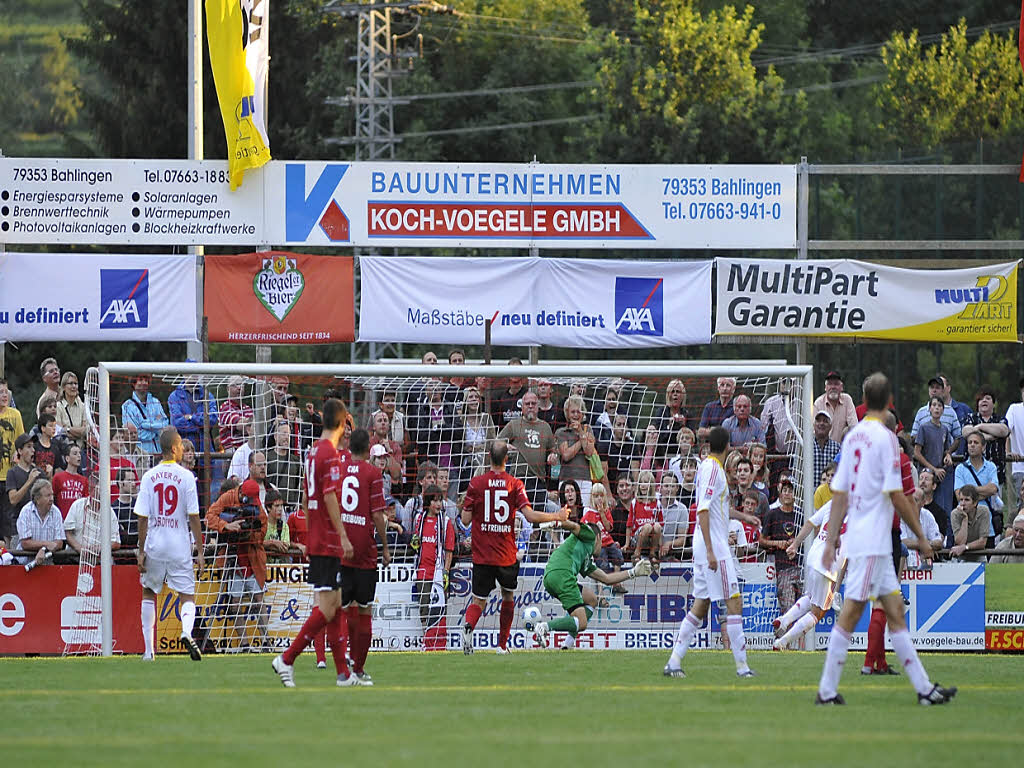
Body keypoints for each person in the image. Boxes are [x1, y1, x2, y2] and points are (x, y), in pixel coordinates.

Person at [815, 372, 955, 706]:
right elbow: (897, 494)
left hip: (864, 540)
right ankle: (826, 691)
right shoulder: (886, 439)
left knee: (894, 612)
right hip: (873, 543)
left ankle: (924, 689)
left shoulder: (852, 437)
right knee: (851, 614)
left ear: (863, 397)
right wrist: (921, 536)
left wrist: (832, 539)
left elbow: (840, 495)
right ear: (889, 398)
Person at [273, 398, 358, 688]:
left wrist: (310, 534)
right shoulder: (329, 454)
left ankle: (342, 674)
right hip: (328, 540)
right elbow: (328, 496)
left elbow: (306, 496)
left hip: (318, 537)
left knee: (333, 605)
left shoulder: (311, 453)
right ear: (342, 422)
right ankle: (287, 658)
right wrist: (342, 535)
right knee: (327, 607)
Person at [663, 426, 755, 679]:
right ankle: (742, 668)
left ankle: (674, 661)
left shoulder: (707, 466)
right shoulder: (714, 470)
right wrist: (712, 551)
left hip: (705, 545)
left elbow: (717, 510)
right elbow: (702, 511)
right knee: (734, 602)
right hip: (714, 547)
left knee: (701, 605)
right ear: (728, 446)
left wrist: (745, 516)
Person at [460, 441, 568, 655]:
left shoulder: (476, 484)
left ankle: (468, 627)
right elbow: (529, 515)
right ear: (506, 460)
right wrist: (557, 516)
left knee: (478, 600)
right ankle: (502, 646)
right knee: (507, 596)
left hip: (482, 554)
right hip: (506, 554)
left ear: (489, 457)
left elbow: (464, 520)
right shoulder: (515, 484)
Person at [134, 427, 205, 661]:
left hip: (155, 542)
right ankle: (186, 632)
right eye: (182, 446)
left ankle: (148, 651)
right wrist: (200, 551)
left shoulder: (148, 476)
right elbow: (194, 517)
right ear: (174, 448)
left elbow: (142, 517)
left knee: (148, 591)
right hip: (179, 544)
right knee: (187, 595)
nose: (184, 450)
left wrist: (141, 549)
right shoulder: (186, 476)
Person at [533, 521, 653, 650]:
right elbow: (574, 526)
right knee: (582, 623)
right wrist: (558, 522)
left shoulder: (585, 558)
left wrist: (633, 572)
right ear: (598, 537)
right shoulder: (590, 534)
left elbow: (606, 579)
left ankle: (568, 644)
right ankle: (544, 627)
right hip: (563, 575)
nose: (602, 547)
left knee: (591, 599)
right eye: (602, 542)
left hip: (552, 577)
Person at [338, 428, 389, 685]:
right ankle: (358, 668)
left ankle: (344, 658)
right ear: (369, 449)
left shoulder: (340, 469)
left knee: (345, 609)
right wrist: (386, 547)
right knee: (366, 609)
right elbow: (378, 515)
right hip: (365, 550)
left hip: (342, 548)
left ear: (349, 447)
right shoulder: (373, 473)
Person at [774, 499, 846, 650]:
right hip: (827, 565)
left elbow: (810, 522)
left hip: (812, 557)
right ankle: (783, 641)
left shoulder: (834, 502)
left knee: (810, 596)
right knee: (819, 612)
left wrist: (795, 544)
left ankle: (785, 620)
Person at [496, 390, 558, 509]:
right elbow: (496, 442)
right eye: (527, 404)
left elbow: (553, 450)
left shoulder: (545, 427)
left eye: (533, 404)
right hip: (518, 479)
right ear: (522, 407)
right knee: (518, 516)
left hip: (539, 480)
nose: (530, 406)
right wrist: (505, 446)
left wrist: (553, 456)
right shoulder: (514, 424)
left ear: (538, 406)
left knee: (537, 519)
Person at [412, 484, 455, 650]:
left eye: (440, 501)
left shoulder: (445, 522)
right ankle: (427, 642)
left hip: (438, 575)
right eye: (435, 501)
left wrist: (445, 571)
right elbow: (416, 544)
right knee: (424, 610)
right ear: (428, 502)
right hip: (422, 573)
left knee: (439, 611)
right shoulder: (419, 519)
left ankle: (439, 644)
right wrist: (414, 544)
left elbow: (449, 551)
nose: (438, 504)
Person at [760, 476, 801, 617]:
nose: (788, 493)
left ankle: (801, 640)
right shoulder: (772, 514)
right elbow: (762, 540)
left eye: (791, 490)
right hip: (783, 569)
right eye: (785, 490)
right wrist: (778, 544)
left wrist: (797, 541)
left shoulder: (801, 515)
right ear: (780, 493)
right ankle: (787, 639)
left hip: (802, 568)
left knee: (804, 614)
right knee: (789, 612)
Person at [555, 395, 603, 507]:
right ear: (567, 413)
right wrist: (582, 440)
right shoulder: (561, 432)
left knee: (585, 512)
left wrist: (581, 432)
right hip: (566, 479)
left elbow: (589, 452)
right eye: (573, 412)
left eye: (578, 411)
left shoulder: (588, 429)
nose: (576, 415)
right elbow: (566, 455)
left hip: (585, 480)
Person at [953, 432, 1001, 542]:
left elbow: (993, 489)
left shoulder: (991, 467)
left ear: (983, 447)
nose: (972, 445)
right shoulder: (960, 469)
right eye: (970, 442)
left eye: (976, 442)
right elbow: (959, 495)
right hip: (966, 522)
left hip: (987, 523)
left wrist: (969, 491)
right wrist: (983, 491)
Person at [14, 479, 66, 566]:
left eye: (52, 495)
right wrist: (47, 544)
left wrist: (43, 549)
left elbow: (60, 542)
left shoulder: (56, 511)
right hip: (24, 564)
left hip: (47, 565)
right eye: (48, 496)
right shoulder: (26, 511)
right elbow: (25, 543)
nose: (52, 499)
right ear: (37, 499)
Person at [121, 374, 169, 456]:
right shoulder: (127, 406)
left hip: (158, 453)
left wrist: (144, 425)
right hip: (139, 455)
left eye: (146, 380)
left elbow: (165, 424)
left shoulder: (156, 402)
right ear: (133, 383)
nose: (144, 383)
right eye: (140, 380)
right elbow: (134, 433)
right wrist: (155, 430)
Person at [626, 469, 663, 566]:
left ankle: (653, 553)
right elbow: (629, 524)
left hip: (651, 538)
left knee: (657, 526)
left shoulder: (657, 503)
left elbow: (660, 525)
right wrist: (627, 544)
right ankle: (636, 553)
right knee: (647, 526)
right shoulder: (635, 502)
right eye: (641, 482)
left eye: (646, 482)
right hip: (637, 538)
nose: (642, 485)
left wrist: (661, 545)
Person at [948, 485, 991, 562]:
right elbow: (960, 542)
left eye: (967, 500)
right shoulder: (955, 514)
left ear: (975, 503)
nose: (962, 503)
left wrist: (966, 547)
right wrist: (965, 519)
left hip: (978, 554)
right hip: (960, 555)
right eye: (961, 500)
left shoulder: (984, 511)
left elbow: (982, 542)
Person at [812, 371, 857, 443]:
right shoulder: (818, 403)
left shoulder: (847, 400)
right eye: (830, 384)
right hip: (824, 450)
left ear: (841, 387)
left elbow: (853, 426)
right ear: (825, 388)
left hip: (843, 449)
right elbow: (813, 430)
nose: (833, 387)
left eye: (836, 384)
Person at [54, 371, 91, 455]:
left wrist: (67, 429)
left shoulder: (83, 406)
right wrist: (79, 433)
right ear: (63, 387)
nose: (74, 386)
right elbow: (59, 433)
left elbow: (85, 431)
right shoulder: (58, 407)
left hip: (80, 452)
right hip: (64, 453)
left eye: (76, 383)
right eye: (70, 383)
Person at [219, 376, 254, 453]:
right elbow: (240, 425)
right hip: (232, 452)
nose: (239, 388)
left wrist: (248, 425)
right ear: (228, 389)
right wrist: (249, 424)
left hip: (248, 450)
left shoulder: (248, 408)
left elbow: (251, 428)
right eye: (235, 385)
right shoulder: (225, 408)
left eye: (241, 385)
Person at [52, 444, 89, 519]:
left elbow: (86, 502)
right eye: (75, 453)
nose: (79, 456)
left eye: (79, 453)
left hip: (78, 521)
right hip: (61, 520)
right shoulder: (58, 477)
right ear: (67, 458)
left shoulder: (84, 480)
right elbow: (52, 499)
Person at [812, 410, 841, 488]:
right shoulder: (804, 447)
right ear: (814, 425)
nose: (821, 423)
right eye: (818, 421)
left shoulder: (837, 448)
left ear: (830, 426)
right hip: (808, 496)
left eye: (825, 421)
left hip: (830, 496)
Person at [263, 488, 292, 564]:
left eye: (281, 505)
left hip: (279, 569)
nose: (280, 509)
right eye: (276, 506)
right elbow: (257, 544)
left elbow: (284, 547)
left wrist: (266, 546)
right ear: (268, 507)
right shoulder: (262, 524)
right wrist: (273, 543)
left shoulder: (284, 526)